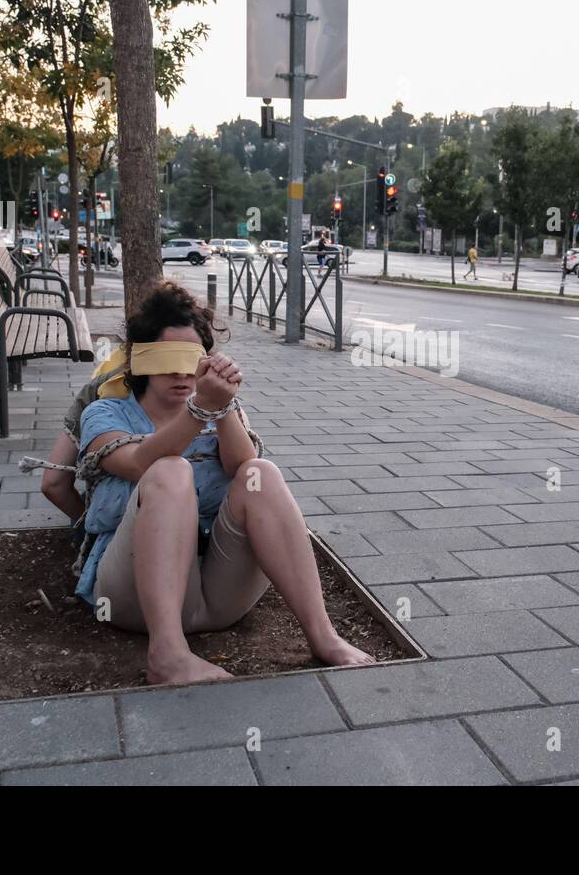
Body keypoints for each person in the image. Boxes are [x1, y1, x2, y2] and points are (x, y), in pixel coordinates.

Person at [76, 282, 374, 684]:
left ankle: (323, 636)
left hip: (217, 594)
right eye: (166, 359)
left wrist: (222, 405)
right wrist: (199, 411)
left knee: (261, 473)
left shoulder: (215, 408)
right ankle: (167, 654)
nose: (181, 373)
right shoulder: (105, 412)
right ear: (138, 360)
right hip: (130, 598)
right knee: (169, 470)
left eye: (193, 360)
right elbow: (135, 463)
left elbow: (242, 464)